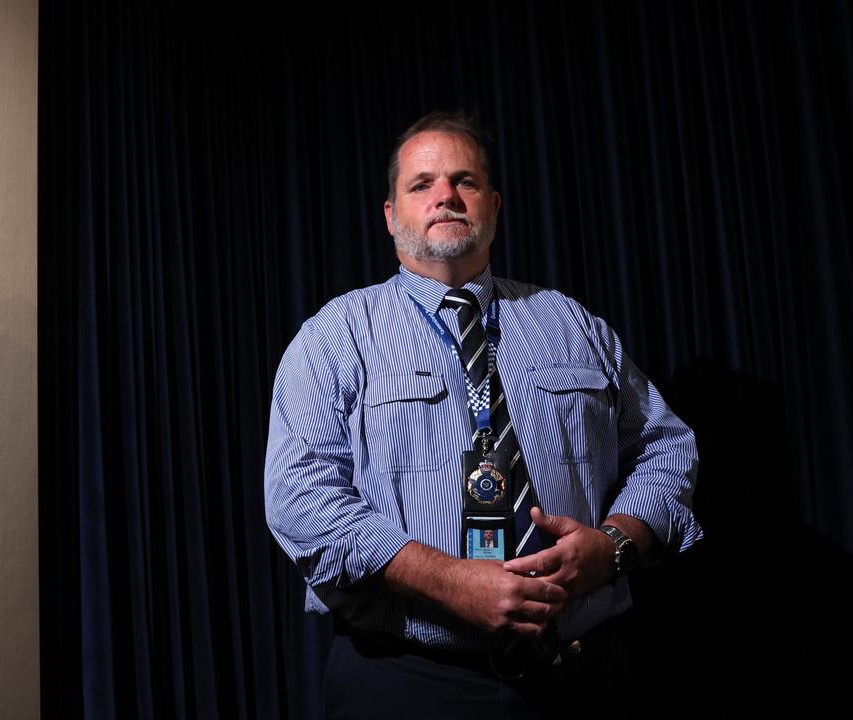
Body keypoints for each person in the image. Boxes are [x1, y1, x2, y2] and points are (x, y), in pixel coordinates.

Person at [264, 111, 702, 718]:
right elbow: (299, 499)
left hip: (581, 676)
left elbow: (667, 445)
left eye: (464, 181)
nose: (445, 195)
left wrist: (612, 546)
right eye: (422, 184)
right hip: (405, 683)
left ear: (492, 206)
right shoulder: (334, 339)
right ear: (391, 217)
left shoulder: (572, 326)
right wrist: (451, 582)